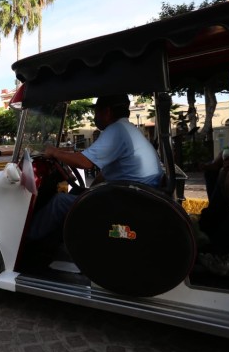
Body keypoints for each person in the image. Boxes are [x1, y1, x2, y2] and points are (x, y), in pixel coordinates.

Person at [28, 94, 164, 242]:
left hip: (129, 202)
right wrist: (89, 193)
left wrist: (55, 152)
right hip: (136, 195)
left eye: (96, 112)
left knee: (60, 202)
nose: (95, 117)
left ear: (107, 111)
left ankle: (28, 243)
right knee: (76, 193)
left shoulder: (116, 130)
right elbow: (103, 174)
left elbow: (85, 163)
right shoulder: (127, 128)